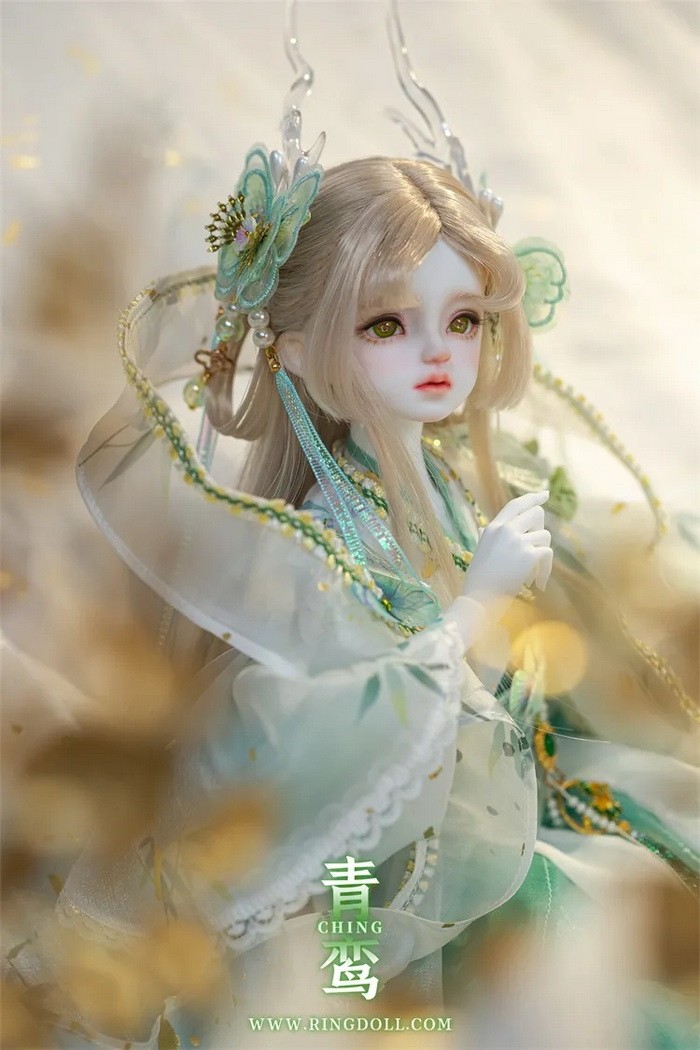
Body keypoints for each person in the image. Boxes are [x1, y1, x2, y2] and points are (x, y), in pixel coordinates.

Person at [35, 8, 700, 1047]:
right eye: (387, 323)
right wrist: (471, 615)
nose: (438, 353)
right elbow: (307, 757)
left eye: (464, 320)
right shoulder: (317, 544)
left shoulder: (456, 481)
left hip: (515, 829)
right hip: (383, 893)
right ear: (300, 352)